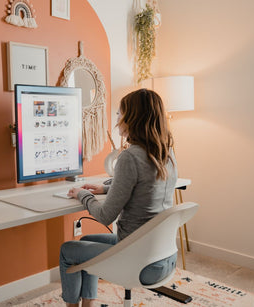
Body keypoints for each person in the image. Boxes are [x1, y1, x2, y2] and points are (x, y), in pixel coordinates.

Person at [60, 89, 178, 307]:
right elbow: (145, 185)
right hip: (163, 255)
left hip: (139, 259)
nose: (117, 118)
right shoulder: (166, 154)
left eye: (120, 113)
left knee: (68, 250)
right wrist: (105, 189)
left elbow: (105, 216)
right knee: (85, 242)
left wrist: (82, 193)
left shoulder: (129, 157)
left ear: (132, 118)